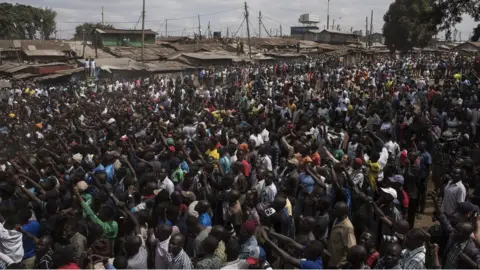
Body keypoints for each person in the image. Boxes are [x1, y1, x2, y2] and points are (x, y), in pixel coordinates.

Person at [327, 201, 356, 268]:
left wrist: (340, 264)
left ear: (343, 213)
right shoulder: (337, 219)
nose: (333, 210)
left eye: (336, 209)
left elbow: (351, 249)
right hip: (330, 259)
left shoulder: (347, 227)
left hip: (337, 264)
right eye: (334, 208)